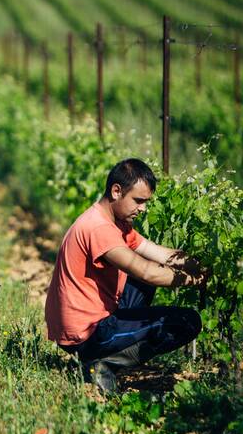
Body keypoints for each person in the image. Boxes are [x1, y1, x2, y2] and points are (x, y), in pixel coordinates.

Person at [44, 158, 207, 393]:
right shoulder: (98, 228)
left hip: (85, 323)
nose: (143, 209)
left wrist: (200, 266)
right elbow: (146, 272)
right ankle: (101, 364)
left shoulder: (112, 221)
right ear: (116, 191)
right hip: (85, 335)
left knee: (144, 277)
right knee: (186, 322)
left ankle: (103, 356)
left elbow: (158, 254)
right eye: (138, 201)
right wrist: (195, 280)